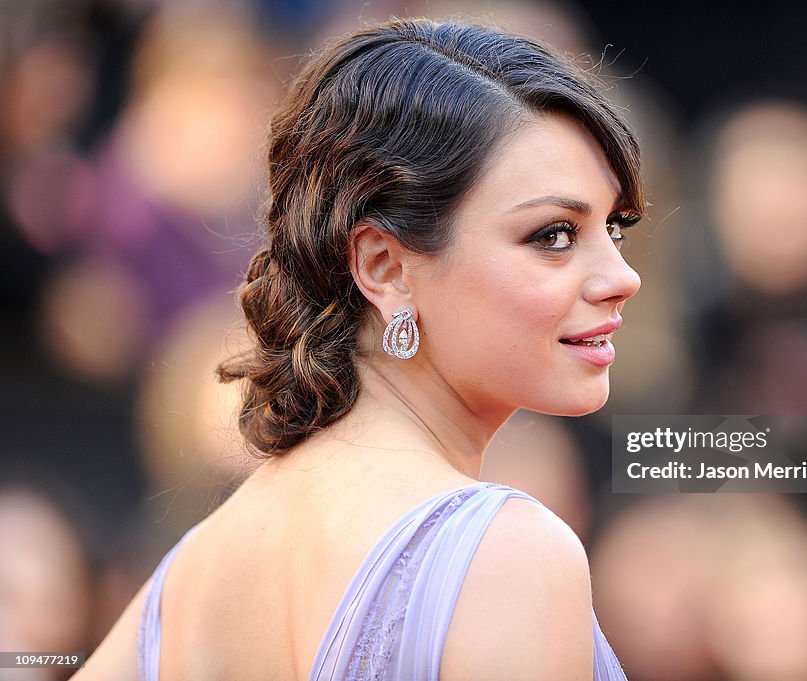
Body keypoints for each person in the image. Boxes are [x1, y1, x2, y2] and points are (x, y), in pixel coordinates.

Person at [73, 17, 643, 681]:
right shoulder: (507, 550)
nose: (621, 278)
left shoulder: (181, 585)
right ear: (385, 266)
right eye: (553, 234)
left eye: (615, 228)